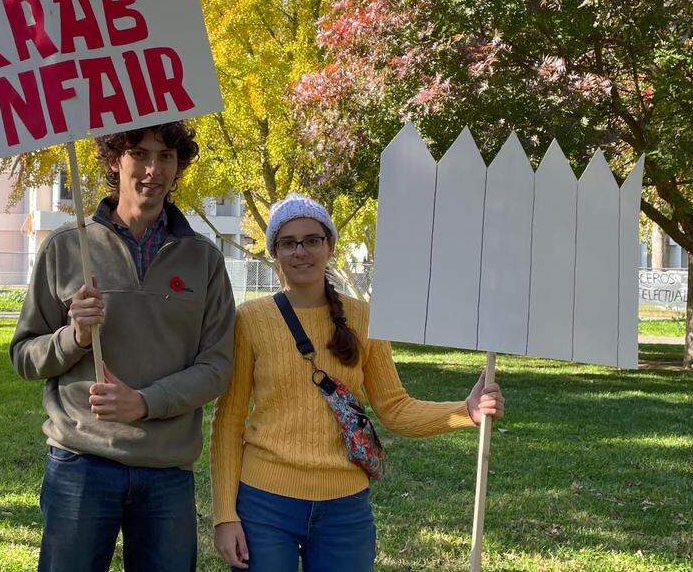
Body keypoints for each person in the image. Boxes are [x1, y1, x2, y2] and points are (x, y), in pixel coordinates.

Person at [210, 194, 506, 572]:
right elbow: (228, 422)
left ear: (329, 245)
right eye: (288, 243)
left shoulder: (363, 318)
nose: (301, 251)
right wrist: (225, 516)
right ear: (275, 252)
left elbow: (394, 408)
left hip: (343, 509)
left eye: (312, 240)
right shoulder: (250, 319)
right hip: (265, 504)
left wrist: (465, 411)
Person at [9, 121, 236, 572]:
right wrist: (72, 338)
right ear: (116, 160)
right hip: (81, 462)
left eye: (166, 157)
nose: (153, 169)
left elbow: (217, 365)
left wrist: (144, 403)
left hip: (166, 470)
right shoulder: (66, 249)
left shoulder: (204, 259)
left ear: (178, 166)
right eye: (140, 154)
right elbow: (24, 356)